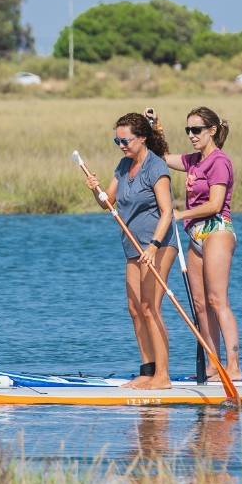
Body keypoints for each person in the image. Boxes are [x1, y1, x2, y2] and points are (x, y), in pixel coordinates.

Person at [82, 113, 177, 389]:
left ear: (142, 138)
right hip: (132, 247)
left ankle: (163, 376)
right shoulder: (123, 165)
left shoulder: (155, 167)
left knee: (151, 308)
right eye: (117, 140)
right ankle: (147, 371)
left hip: (157, 244)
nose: (121, 145)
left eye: (126, 140)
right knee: (135, 309)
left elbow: (167, 211)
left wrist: (154, 245)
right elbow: (107, 203)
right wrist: (95, 189)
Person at [150, 106, 242, 381]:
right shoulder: (193, 161)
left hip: (217, 231)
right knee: (200, 305)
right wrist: (157, 126)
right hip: (195, 235)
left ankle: (234, 367)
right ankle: (213, 367)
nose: (191, 135)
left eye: (197, 130)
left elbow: (215, 204)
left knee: (217, 301)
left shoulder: (219, 161)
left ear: (211, 131)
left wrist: (180, 214)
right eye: (188, 130)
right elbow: (161, 157)